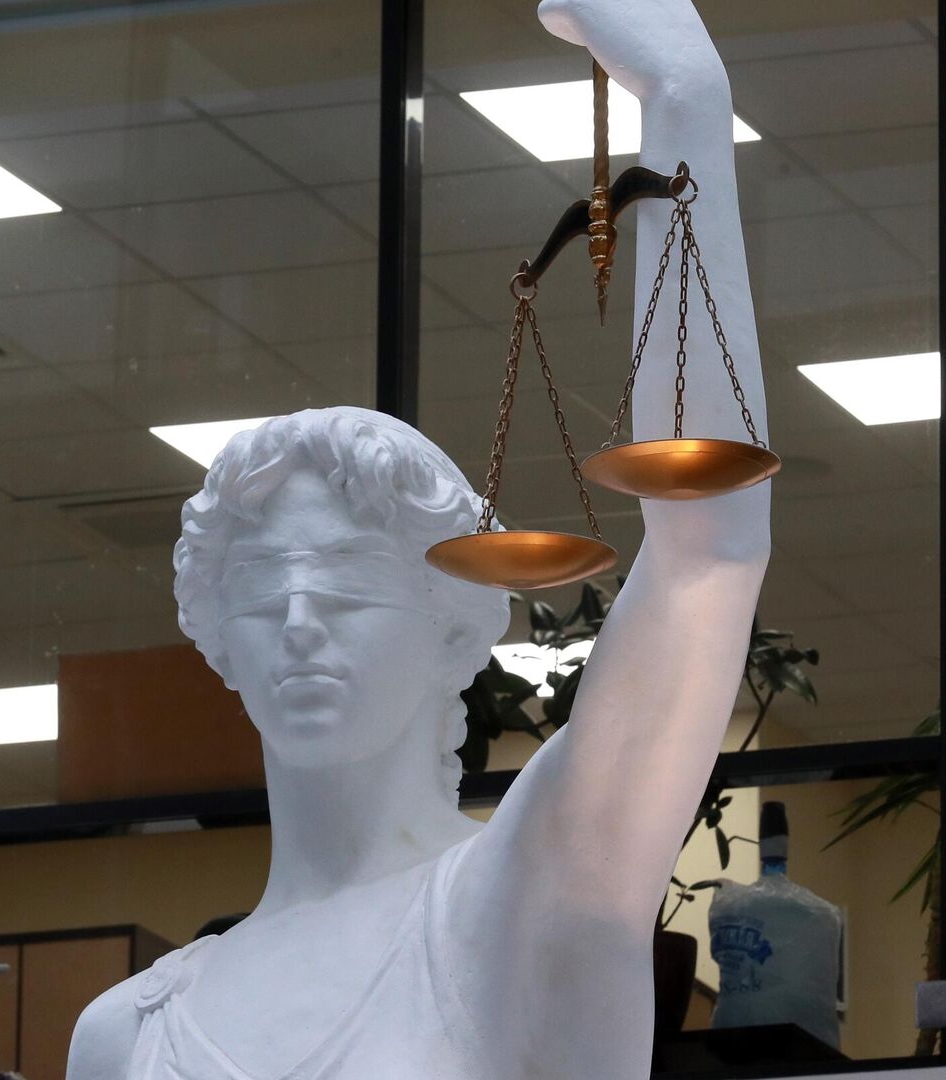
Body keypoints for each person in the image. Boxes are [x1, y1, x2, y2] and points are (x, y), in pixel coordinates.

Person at [66, 1, 769, 1076]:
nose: (301, 620)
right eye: (261, 586)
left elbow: (705, 556)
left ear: (451, 628)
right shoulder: (126, 1034)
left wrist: (687, 103)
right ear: (218, 639)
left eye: (349, 581)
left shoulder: (518, 908)